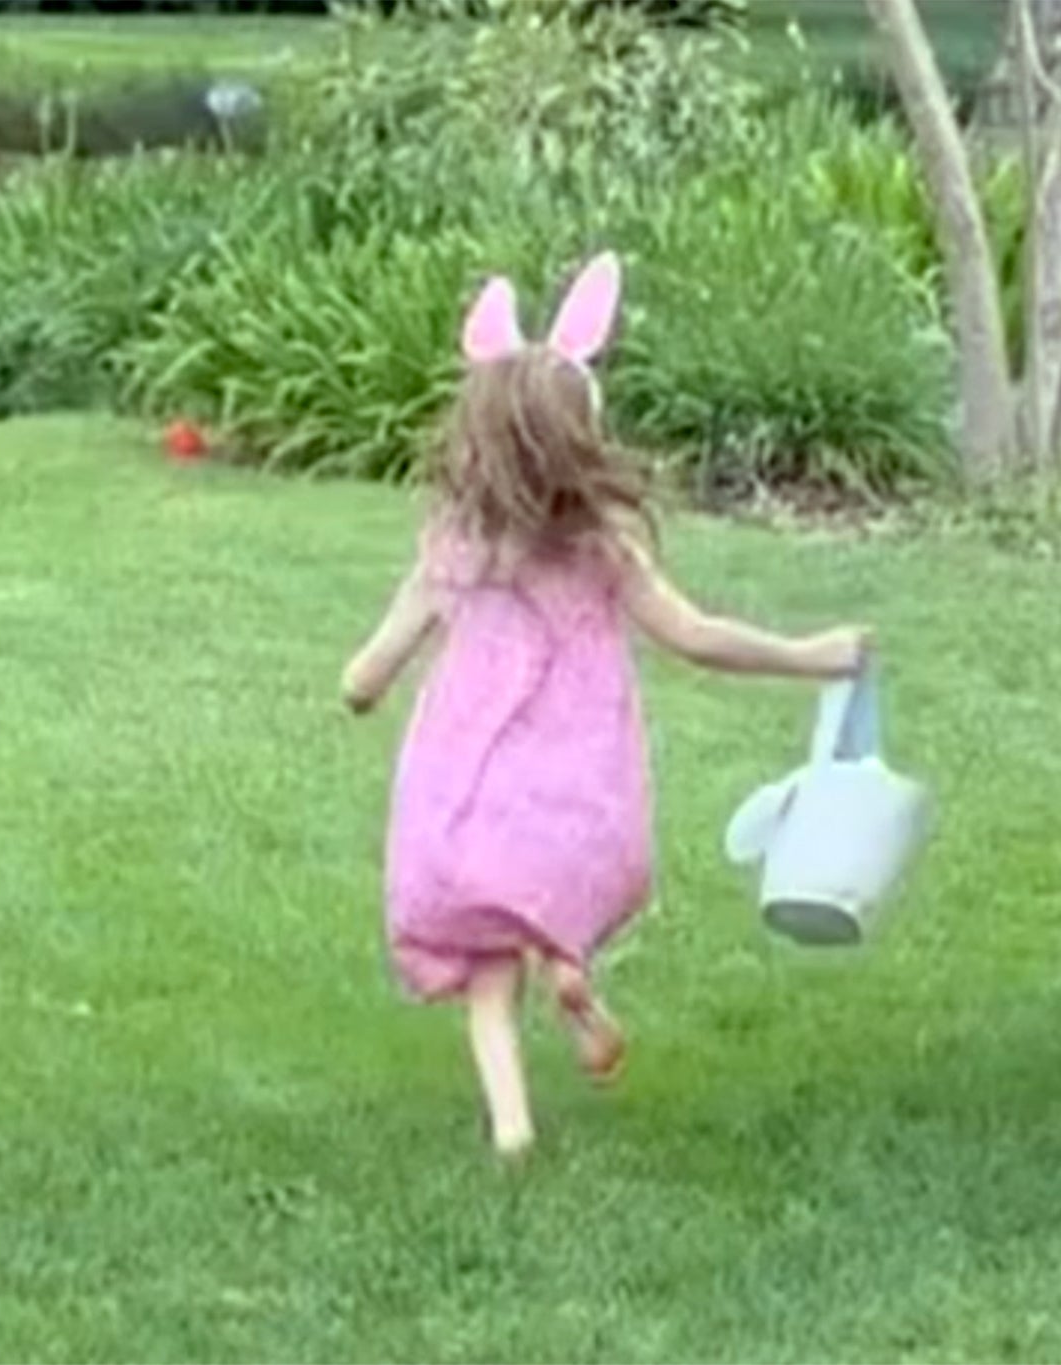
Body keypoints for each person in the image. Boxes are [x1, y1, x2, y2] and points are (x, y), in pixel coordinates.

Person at [340, 254, 869, 1159]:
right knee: (546, 888)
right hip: (575, 794)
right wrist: (810, 655)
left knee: (487, 965)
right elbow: (696, 635)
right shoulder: (605, 547)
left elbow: (368, 672)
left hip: (471, 792)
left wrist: (357, 686)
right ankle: (570, 967)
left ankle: (513, 1126)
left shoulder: (455, 548)